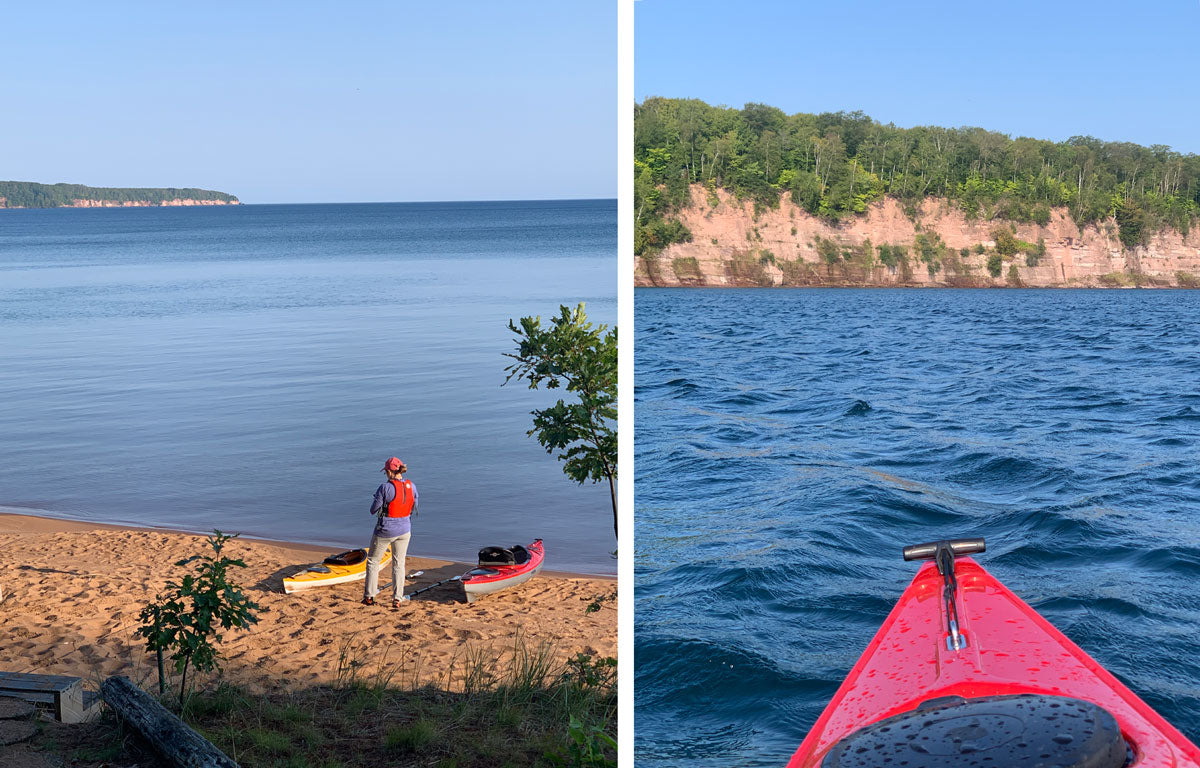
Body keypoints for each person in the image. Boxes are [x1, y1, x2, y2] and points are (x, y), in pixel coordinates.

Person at [362, 456, 418, 609]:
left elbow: (373, 510)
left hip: (385, 530)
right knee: (399, 564)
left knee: (373, 562)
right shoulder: (411, 486)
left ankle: (369, 597)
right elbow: (414, 506)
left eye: (386, 471)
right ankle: (397, 598)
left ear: (389, 471)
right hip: (405, 530)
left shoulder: (385, 488)